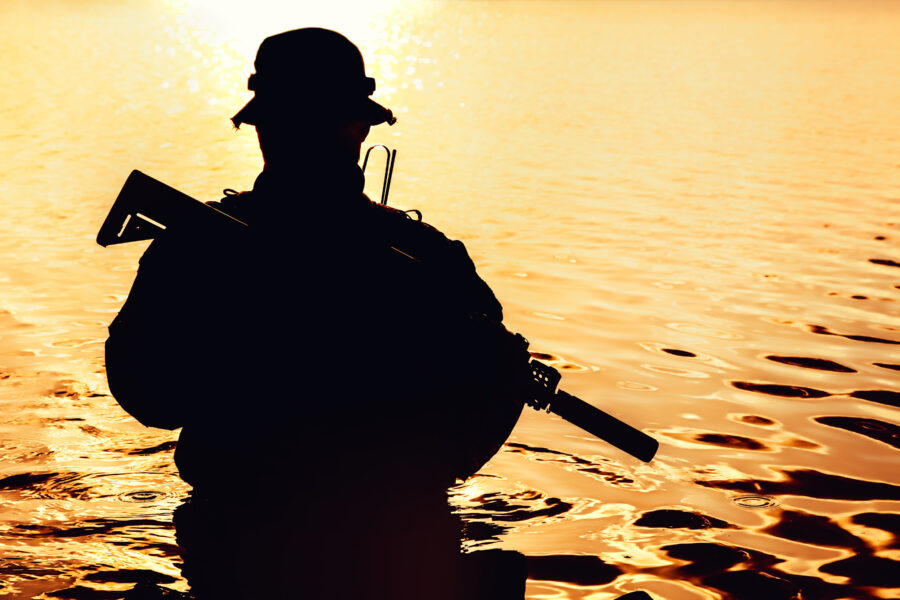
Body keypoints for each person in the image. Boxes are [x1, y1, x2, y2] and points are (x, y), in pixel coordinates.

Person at [106, 27, 528, 598]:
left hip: (234, 547)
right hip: (393, 550)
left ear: (261, 129)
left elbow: (148, 395)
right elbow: (465, 442)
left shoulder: (195, 246)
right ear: (358, 128)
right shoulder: (430, 262)